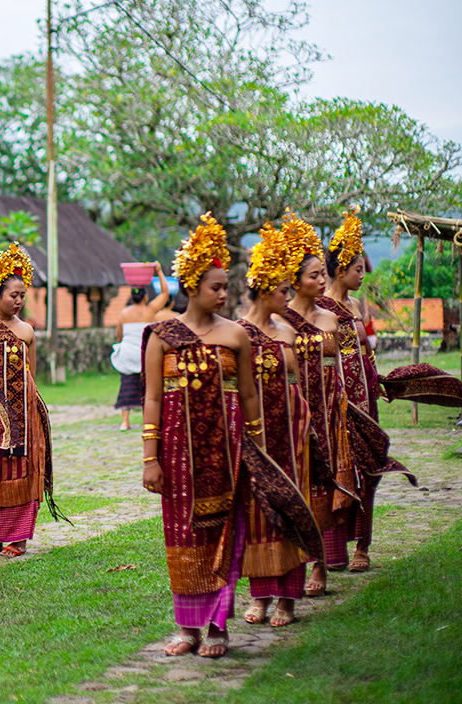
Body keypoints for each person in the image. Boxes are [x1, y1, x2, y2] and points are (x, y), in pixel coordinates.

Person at [142, 214, 262, 658]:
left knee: (223, 533)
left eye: (227, 285)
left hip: (229, 452)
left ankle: (217, 628)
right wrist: (149, 458)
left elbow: (248, 394)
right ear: (191, 286)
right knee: (182, 534)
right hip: (177, 452)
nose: (224, 293)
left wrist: (258, 449)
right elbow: (152, 399)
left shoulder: (237, 335)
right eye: (216, 286)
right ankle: (188, 627)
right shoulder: (163, 335)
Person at [238, 222, 311, 628]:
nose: (289, 296)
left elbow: (296, 386)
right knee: (256, 513)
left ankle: (287, 599)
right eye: (284, 289)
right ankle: (260, 596)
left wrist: (303, 428)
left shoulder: (288, 332)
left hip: (287, 433)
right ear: (265, 289)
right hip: (253, 435)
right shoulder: (237, 332)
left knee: (286, 509)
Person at [277, 211, 353, 597]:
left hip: (326, 411)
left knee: (322, 486)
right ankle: (290, 565)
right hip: (293, 411)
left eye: (324, 274)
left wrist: (341, 409)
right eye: (314, 275)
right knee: (297, 487)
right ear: (295, 281)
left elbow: (339, 367)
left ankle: (320, 566)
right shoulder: (281, 320)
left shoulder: (331, 320)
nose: (322, 281)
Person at [0, 243, 58, 559]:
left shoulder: (28, 331)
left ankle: (18, 538)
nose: (18, 301)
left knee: (23, 464)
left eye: (22, 295)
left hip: (24, 408)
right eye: (12, 295)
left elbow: (30, 371)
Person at [320, 208, 379, 573]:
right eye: (357, 269)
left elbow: (368, 346)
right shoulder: (320, 306)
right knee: (337, 468)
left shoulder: (357, 304)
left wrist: (378, 379)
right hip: (336, 399)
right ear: (340, 270)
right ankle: (333, 548)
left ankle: (363, 545)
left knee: (367, 466)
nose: (362, 274)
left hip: (365, 395)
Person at [112, 262, 172, 430]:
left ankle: (125, 421)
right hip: (144, 354)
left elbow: (119, 335)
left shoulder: (124, 313)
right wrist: (159, 271)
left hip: (127, 352)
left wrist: (121, 344)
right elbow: (166, 293)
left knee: (126, 384)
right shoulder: (150, 310)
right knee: (148, 386)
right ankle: (149, 420)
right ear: (145, 297)